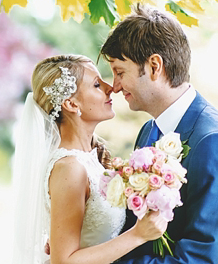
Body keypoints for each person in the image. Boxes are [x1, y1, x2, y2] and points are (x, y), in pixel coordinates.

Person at [100, 4, 218, 263]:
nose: (114, 86)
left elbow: (202, 259)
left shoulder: (216, 143)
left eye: (119, 72)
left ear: (154, 66)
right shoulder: (148, 131)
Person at [12, 54, 168, 264]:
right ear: (71, 104)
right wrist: (137, 236)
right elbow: (64, 261)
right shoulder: (70, 168)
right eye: (96, 84)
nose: (110, 87)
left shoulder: (91, 159)